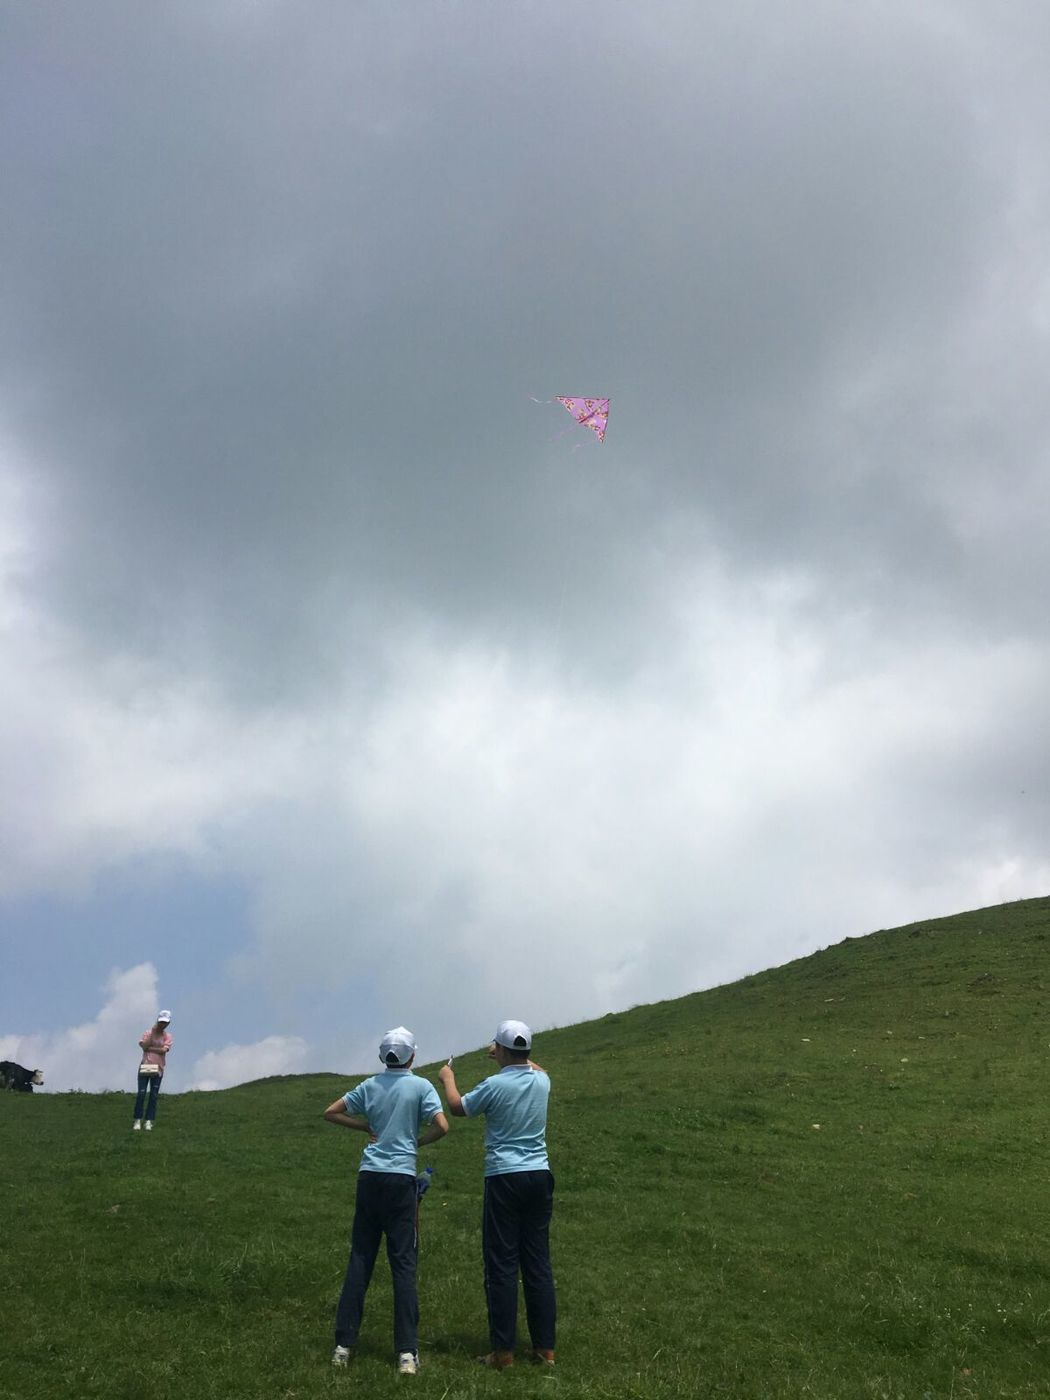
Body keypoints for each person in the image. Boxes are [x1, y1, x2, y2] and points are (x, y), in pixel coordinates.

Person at [324, 1026, 449, 1375]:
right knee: (403, 1265)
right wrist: (417, 1143)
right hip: (401, 1181)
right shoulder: (421, 1087)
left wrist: (365, 1128)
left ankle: (343, 1346)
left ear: (384, 1056)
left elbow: (331, 1112)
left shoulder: (369, 1086)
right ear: (412, 1056)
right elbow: (443, 1126)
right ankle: (406, 1352)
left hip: (369, 1177)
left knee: (360, 1259)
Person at [439, 1020, 556, 1370]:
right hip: (539, 1174)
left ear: (501, 1051)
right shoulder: (542, 1081)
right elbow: (537, 1067)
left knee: (502, 1264)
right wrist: (512, 1057)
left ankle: (503, 1352)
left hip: (504, 1176)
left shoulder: (494, 1085)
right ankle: (544, 1350)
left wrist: (447, 1078)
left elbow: (459, 1108)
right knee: (537, 1263)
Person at [133, 1010, 172, 1131]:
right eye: (161, 1022)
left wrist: (150, 1049)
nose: (162, 1025)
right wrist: (152, 1038)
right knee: (141, 1093)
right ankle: (137, 1120)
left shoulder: (167, 1036)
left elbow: (164, 1050)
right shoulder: (148, 1032)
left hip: (158, 1067)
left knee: (153, 1095)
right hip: (145, 1065)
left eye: (165, 1023)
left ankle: (149, 1120)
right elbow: (143, 1046)